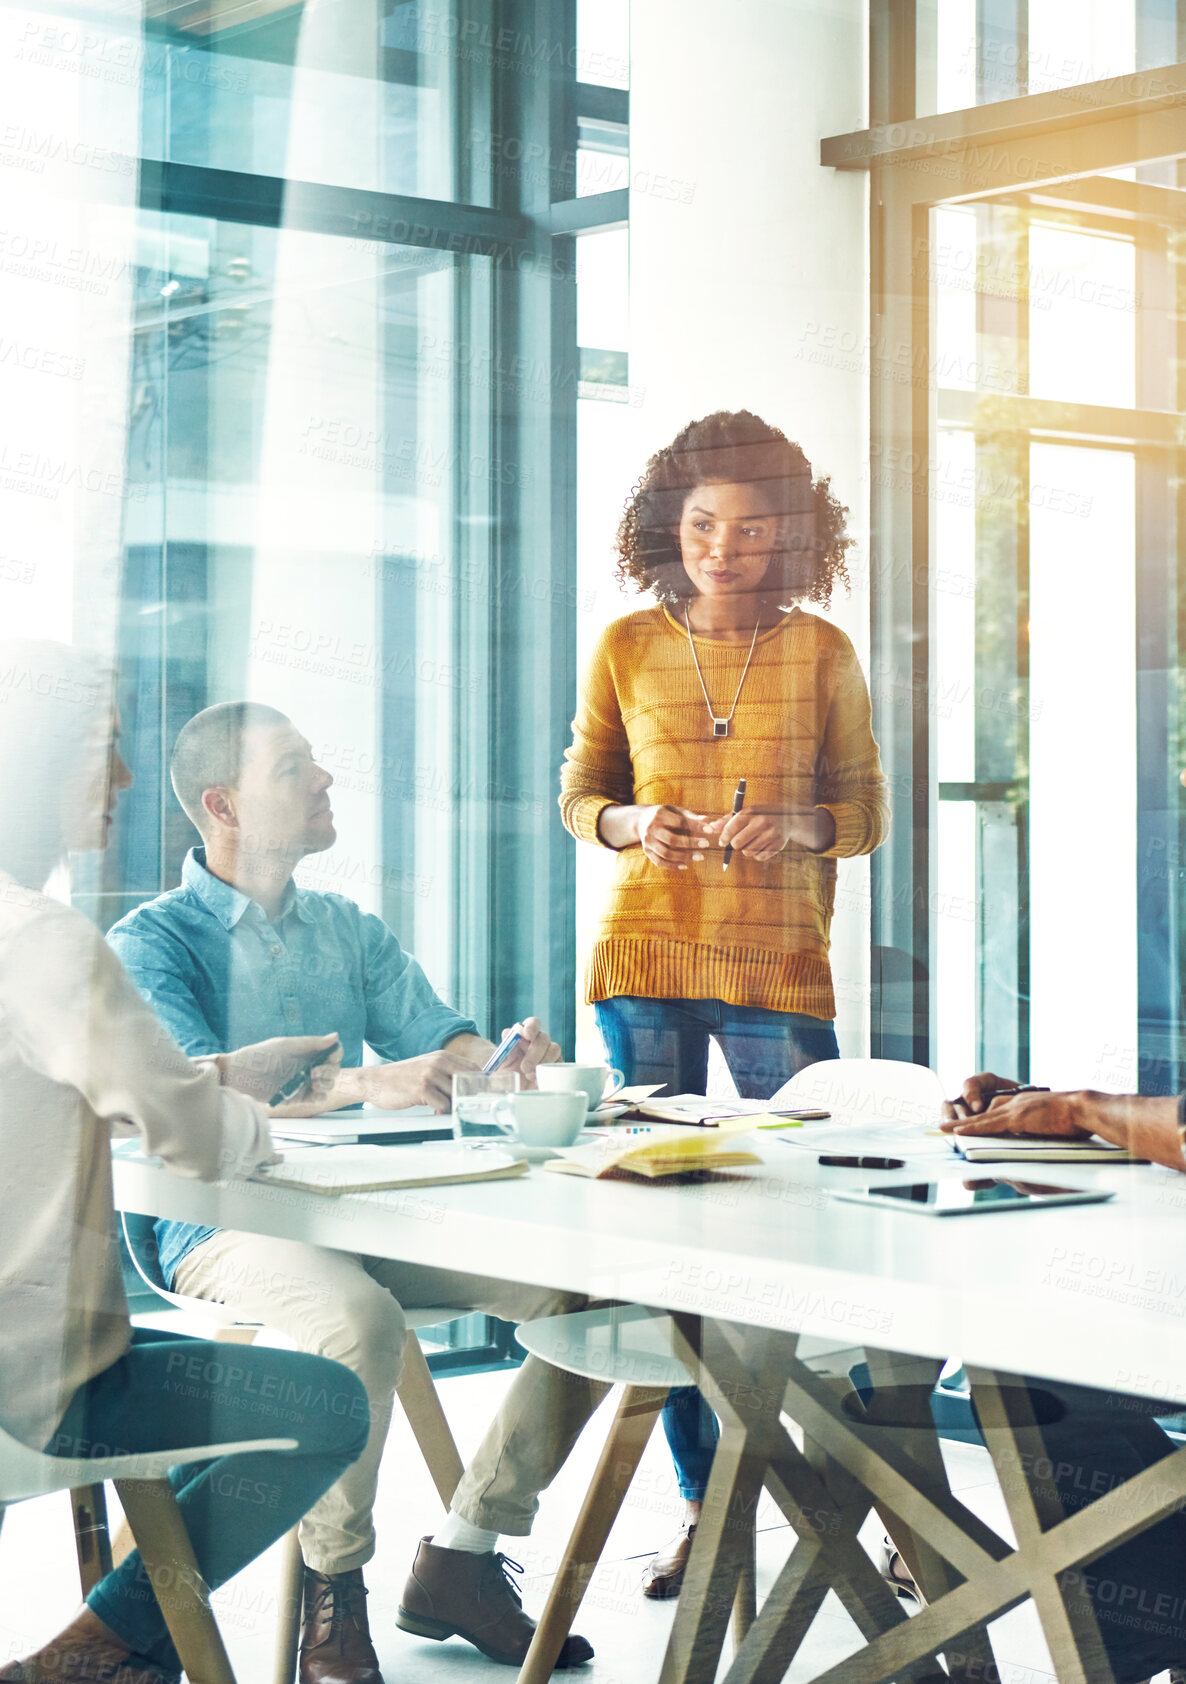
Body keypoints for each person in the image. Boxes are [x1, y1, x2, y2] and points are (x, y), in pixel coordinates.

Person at [107, 701, 607, 1681]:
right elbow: (195, 1088)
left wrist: (494, 1059)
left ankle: (463, 1554)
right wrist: (365, 1083)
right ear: (224, 804)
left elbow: (439, 1035)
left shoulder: (345, 926)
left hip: (368, 1207)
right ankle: (334, 1590)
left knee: (589, 1293)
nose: (327, 781)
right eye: (296, 768)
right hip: (213, 1221)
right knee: (357, 1322)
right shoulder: (153, 941)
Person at [559, 409, 889, 1594]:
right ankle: (709, 1506)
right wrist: (639, 822)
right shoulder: (624, 643)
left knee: (824, 1229)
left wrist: (797, 823)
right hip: (642, 959)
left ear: (791, 537)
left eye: (750, 530)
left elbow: (863, 812)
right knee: (672, 1245)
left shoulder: (822, 653)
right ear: (668, 524)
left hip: (776, 967)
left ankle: (879, 1502)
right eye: (700, 524)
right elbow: (579, 796)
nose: (721, 548)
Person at [0, 641, 369, 1684]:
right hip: (37, 1386)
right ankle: (105, 1641)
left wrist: (198, 1074)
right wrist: (259, 1113)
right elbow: (194, 1138)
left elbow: (46, 1085)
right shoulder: (46, 941)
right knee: (326, 1405)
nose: (122, 780)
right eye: (103, 751)